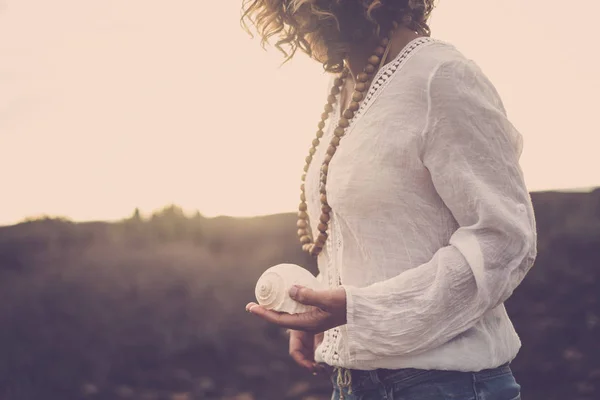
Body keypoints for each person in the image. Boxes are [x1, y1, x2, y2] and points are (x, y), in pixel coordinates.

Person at [242, 1, 537, 399]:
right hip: (351, 383)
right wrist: (320, 315)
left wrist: (359, 311)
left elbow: (504, 241)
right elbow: (373, 238)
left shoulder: (440, 76)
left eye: (299, 8)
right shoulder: (349, 87)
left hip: (445, 384)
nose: (295, 22)